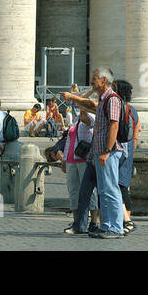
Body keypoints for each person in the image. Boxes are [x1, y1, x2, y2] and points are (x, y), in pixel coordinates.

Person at [63, 68, 126, 238]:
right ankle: (106, 225)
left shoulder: (112, 99)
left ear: (104, 80)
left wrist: (107, 151)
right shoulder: (103, 98)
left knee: (111, 189)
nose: (91, 81)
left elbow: (114, 126)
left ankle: (116, 227)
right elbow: (84, 103)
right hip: (98, 153)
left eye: (94, 79)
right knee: (103, 191)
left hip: (108, 153)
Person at [65, 109, 99, 233]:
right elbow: (69, 140)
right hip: (71, 159)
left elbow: (84, 116)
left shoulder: (91, 118)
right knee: (73, 191)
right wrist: (64, 159)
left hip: (84, 159)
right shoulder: (75, 120)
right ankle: (76, 222)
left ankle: (94, 221)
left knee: (90, 192)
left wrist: (81, 100)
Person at [115, 79, 138, 235]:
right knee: (123, 187)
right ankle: (126, 220)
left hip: (117, 151)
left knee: (118, 187)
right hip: (128, 150)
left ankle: (127, 221)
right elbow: (135, 135)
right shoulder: (133, 110)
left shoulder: (119, 108)